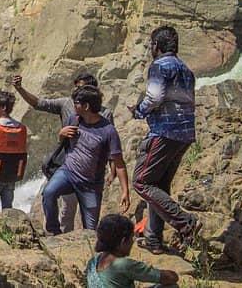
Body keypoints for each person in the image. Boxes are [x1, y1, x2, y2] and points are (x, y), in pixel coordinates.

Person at [128, 25, 200, 254]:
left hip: (165, 131)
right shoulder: (186, 69)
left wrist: (139, 110)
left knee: (142, 181)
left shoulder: (159, 65)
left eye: (151, 45)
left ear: (156, 46)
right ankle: (153, 240)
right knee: (159, 186)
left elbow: (155, 96)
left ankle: (185, 222)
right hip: (185, 133)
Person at [12, 72, 115, 231]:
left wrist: (112, 169)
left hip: (93, 172)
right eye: (76, 88)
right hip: (69, 164)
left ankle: (85, 245)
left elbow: (110, 143)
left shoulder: (105, 114)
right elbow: (39, 103)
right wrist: (20, 89)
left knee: (89, 218)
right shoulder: (67, 104)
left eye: (80, 89)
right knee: (64, 204)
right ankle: (60, 236)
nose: (76, 93)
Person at [41, 86, 130, 234]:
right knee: (49, 193)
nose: (73, 105)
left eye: (76, 103)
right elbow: (63, 142)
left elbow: (119, 163)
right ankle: (53, 231)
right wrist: (61, 134)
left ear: (86, 106)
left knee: (90, 229)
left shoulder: (108, 131)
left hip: (91, 184)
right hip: (68, 172)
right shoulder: (73, 119)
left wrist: (125, 191)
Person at [86, 214, 180, 288]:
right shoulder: (123, 265)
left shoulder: (92, 263)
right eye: (131, 238)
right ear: (123, 241)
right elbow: (171, 278)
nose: (132, 242)